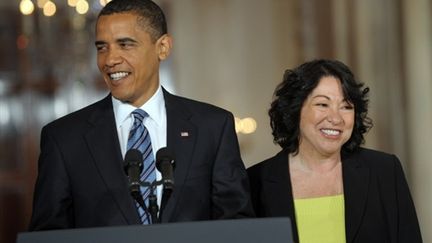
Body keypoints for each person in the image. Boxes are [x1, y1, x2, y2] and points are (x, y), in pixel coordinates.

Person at [29, 0, 253, 230]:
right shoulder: (64, 138)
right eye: (102, 47)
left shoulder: (213, 127)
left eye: (125, 45)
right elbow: (48, 233)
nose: (110, 60)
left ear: (162, 47)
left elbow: (237, 223)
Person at [247, 59, 422, 243]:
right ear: (295, 109)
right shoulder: (255, 182)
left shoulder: (384, 171)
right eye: (322, 104)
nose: (336, 118)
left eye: (346, 107)